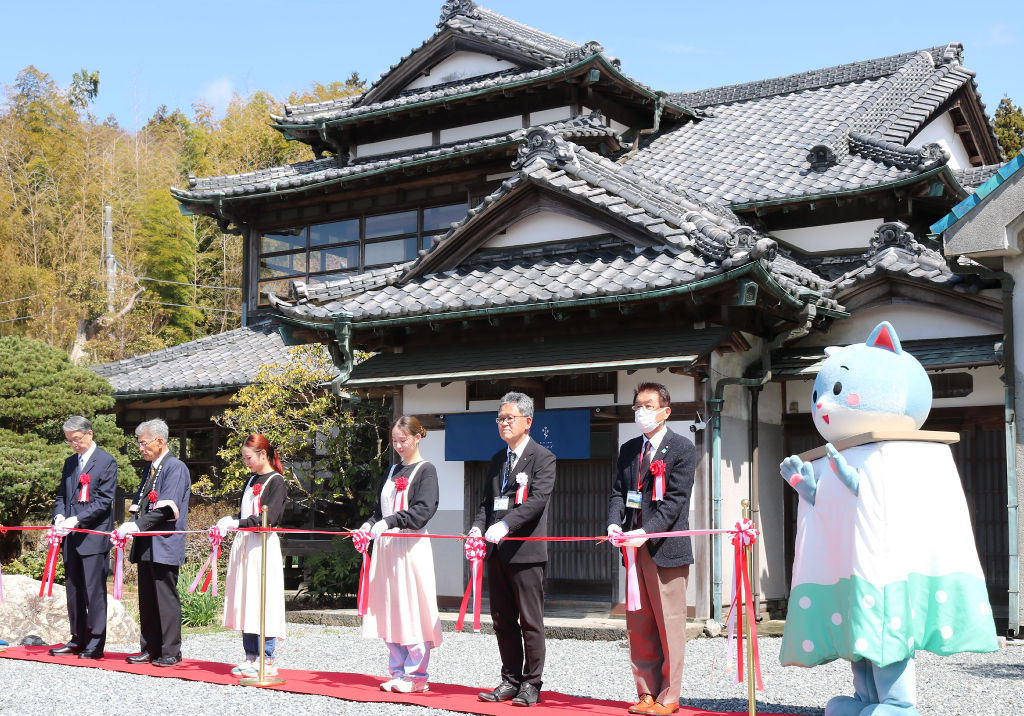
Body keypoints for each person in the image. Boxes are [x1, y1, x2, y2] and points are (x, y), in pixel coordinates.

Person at [607, 382, 696, 716]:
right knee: (640, 624)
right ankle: (646, 692)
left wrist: (646, 530)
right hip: (633, 549)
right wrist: (615, 523)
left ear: (665, 411)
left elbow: (675, 502)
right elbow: (618, 492)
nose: (641, 413)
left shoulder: (682, 448)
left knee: (669, 624)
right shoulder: (630, 449)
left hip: (665, 550)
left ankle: (669, 696)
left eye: (648, 406)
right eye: (637, 407)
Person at [471, 392, 556, 708]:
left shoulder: (543, 457)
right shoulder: (497, 460)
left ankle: (532, 683)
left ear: (527, 421)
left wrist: (506, 525)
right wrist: (478, 527)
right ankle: (510, 679)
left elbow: (537, 501)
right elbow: (486, 503)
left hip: (526, 553)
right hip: (496, 552)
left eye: (509, 418)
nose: (504, 423)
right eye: (500, 418)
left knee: (530, 620)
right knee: (502, 618)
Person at [358, 415, 443, 694]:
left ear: (418, 437)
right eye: (394, 441)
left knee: (412, 607)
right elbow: (377, 510)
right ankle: (396, 670)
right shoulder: (392, 470)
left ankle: (417, 675)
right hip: (386, 548)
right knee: (389, 606)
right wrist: (369, 525)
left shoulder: (426, 470)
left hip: (410, 546)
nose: (398, 446)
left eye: (403, 440)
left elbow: (422, 511)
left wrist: (390, 521)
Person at [114, 418, 191, 667]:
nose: (140, 448)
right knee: (146, 598)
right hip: (147, 541)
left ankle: (171, 651)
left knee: (165, 598)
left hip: (164, 542)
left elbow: (167, 509)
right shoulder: (151, 468)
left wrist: (136, 526)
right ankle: (150, 648)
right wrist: (133, 524)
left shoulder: (175, 467)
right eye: (139, 443)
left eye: (143, 443)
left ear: (160, 441)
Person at [212, 434, 289, 678]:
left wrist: (238, 523)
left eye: (249, 458)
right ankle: (250, 655)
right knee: (246, 598)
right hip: (246, 544)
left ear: (263, 454)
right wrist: (234, 521)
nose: (246, 463)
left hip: (263, 545)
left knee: (263, 598)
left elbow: (270, 518)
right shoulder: (251, 479)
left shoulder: (276, 482)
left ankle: (267, 656)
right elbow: (246, 512)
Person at [48, 416, 118, 660]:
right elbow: (61, 497)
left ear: (89, 434)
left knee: (94, 590)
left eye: (76, 439)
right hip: (70, 536)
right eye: (69, 441)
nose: (74, 445)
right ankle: (77, 638)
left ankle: (96, 642)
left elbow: (103, 501)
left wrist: (77, 520)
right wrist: (58, 517)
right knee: (73, 588)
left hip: (93, 535)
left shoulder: (106, 461)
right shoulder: (70, 463)